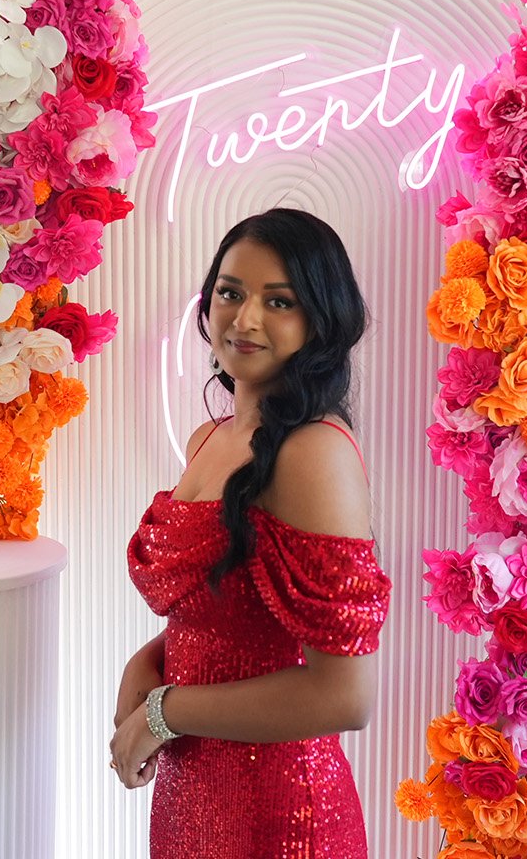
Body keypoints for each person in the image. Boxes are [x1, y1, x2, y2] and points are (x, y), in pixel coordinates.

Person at [112, 208, 393, 857]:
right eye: (230, 292)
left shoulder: (312, 452)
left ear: (320, 319)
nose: (244, 319)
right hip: (193, 796)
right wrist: (146, 661)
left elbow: (345, 695)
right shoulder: (208, 439)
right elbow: (231, 613)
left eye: (279, 301)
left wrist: (163, 712)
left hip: (282, 811)